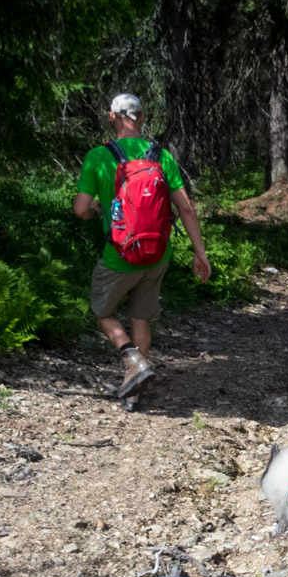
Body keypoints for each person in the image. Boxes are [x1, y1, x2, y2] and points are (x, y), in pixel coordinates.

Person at [72, 93, 212, 397]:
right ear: (142, 118)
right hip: (157, 254)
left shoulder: (99, 156)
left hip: (119, 256)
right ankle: (134, 389)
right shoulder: (160, 156)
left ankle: (132, 358)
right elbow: (186, 209)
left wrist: (97, 208)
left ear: (112, 117)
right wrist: (199, 252)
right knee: (141, 316)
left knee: (102, 311)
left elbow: (81, 209)